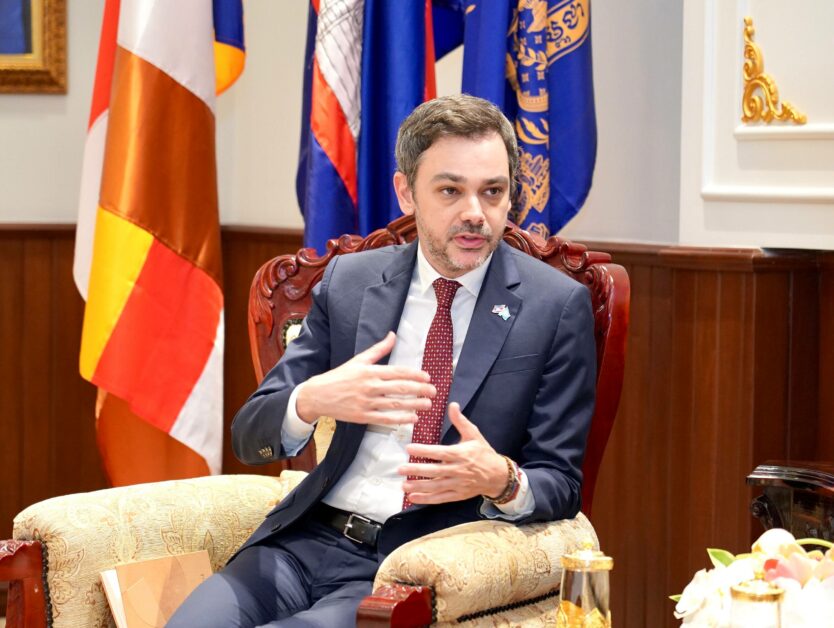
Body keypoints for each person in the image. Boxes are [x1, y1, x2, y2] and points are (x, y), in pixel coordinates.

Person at [167, 94, 596, 627]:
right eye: (450, 190)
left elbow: (561, 481)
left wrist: (500, 479)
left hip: (406, 564)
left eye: (492, 192)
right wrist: (311, 400)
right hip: (301, 543)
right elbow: (249, 434)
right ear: (406, 192)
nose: (474, 213)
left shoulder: (554, 307)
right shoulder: (351, 282)